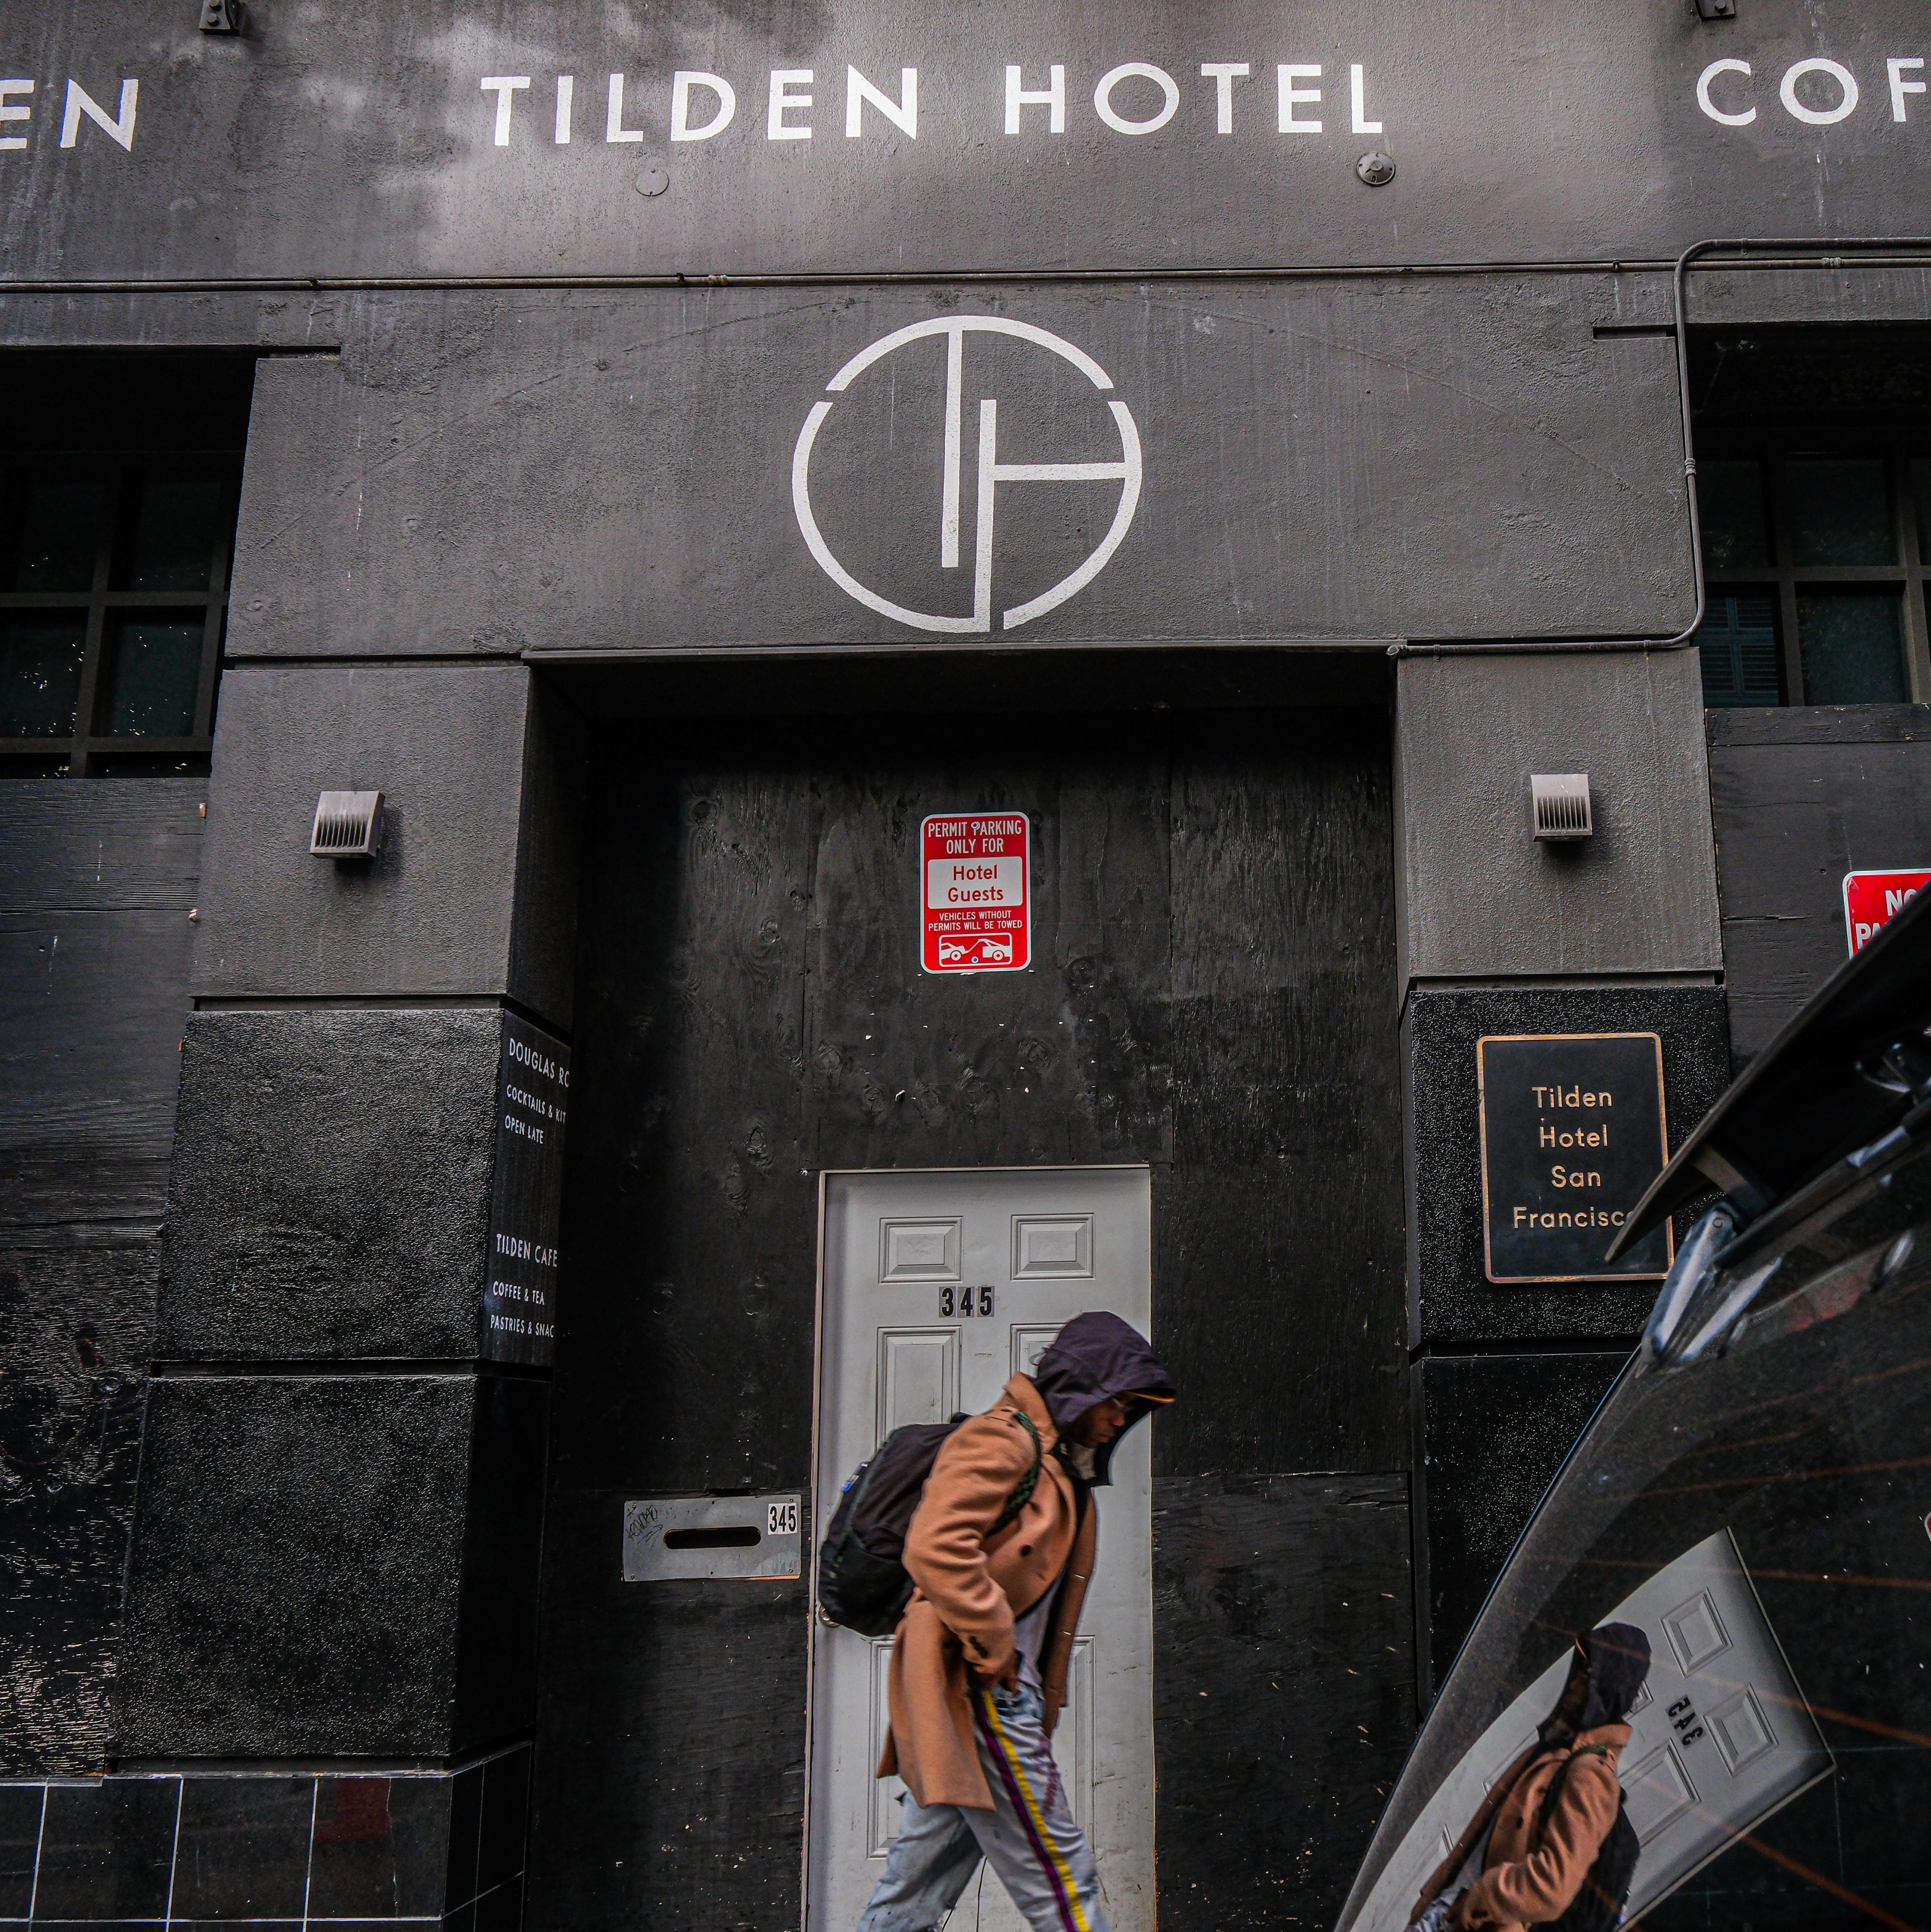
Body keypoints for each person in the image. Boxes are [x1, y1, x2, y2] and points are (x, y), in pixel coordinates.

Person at [856, 1310, 1176, 1932]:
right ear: (1083, 1388)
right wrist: (995, 1642)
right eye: (1116, 1402)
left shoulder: (1060, 1465)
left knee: (910, 1894)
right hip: (980, 1694)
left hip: (986, 1696)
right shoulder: (1003, 1441)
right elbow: (934, 1545)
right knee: (1063, 1879)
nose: (1120, 1419)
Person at [1407, 1623, 1651, 1932]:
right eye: (1579, 1671)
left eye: (1588, 1678)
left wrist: (1485, 1897)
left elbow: (1553, 1884)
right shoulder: (1556, 1749)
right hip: (1448, 1914)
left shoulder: (1592, 1775)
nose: (1575, 1685)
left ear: (1606, 1690)